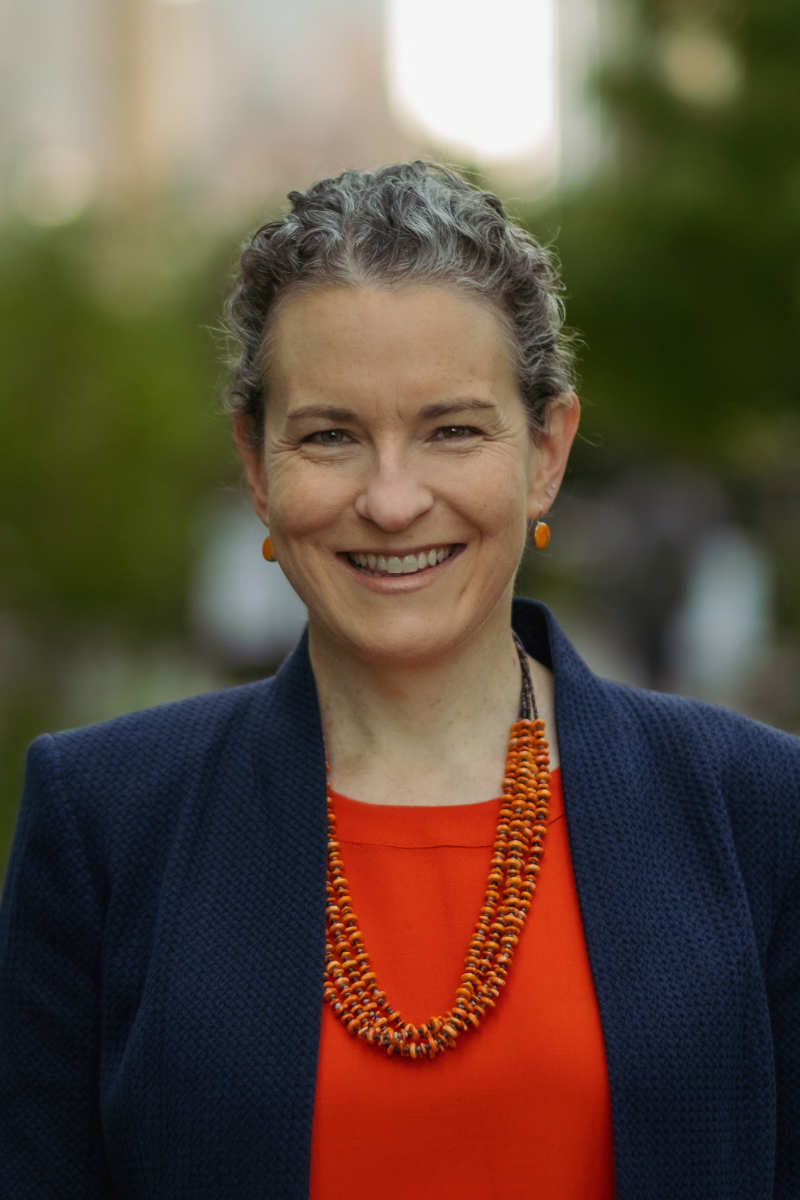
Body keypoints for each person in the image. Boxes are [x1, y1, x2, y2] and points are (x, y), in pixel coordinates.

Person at [1, 161, 798, 1200]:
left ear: (545, 452)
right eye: (330, 436)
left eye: (451, 430)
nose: (389, 500)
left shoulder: (753, 809)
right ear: (255, 463)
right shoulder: (105, 819)